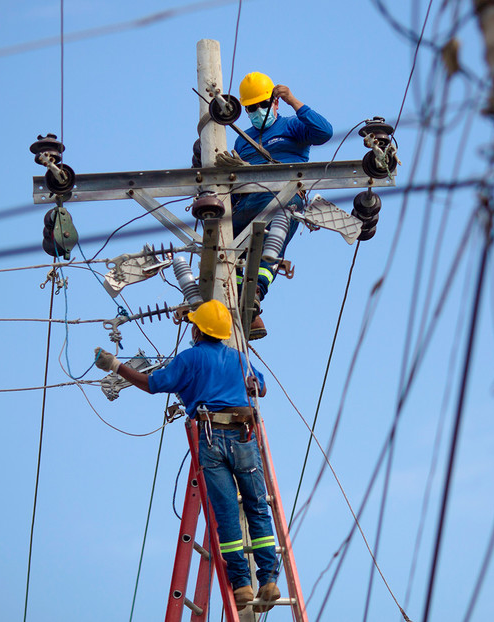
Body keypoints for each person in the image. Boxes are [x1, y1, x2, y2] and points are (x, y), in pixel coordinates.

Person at [94, 299, 281, 612]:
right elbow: (260, 388)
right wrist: (248, 384)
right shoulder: (238, 358)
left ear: (197, 330)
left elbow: (152, 384)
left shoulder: (190, 358)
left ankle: (242, 586)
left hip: (211, 437)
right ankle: (270, 580)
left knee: (226, 514)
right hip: (244, 435)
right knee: (257, 508)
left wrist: (114, 366)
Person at [231, 71, 333, 340]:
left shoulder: (290, 126)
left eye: (262, 104)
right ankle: (228, 304)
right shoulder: (242, 139)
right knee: (222, 243)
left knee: (279, 221)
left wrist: (293, 100)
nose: (256, 111)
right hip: (249, 202)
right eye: (250, 107)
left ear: (274, 102)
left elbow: (324, 132)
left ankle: (255, 293)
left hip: (285, 196)